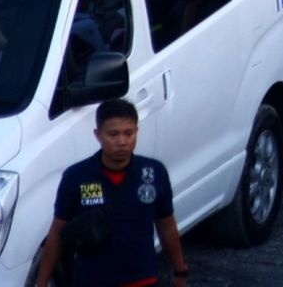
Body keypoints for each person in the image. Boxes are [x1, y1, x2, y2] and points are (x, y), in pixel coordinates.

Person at [35, 99, 188, 287]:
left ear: (137, 132)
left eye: (128, 133)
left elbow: (167, 226)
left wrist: (180, 270)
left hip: (142, 280)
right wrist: (41, 282)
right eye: (113, 134)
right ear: (97, 135)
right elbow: (57, 232)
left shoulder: (154, 172)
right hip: (92, 281)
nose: (122, 142)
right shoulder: (76, 177)